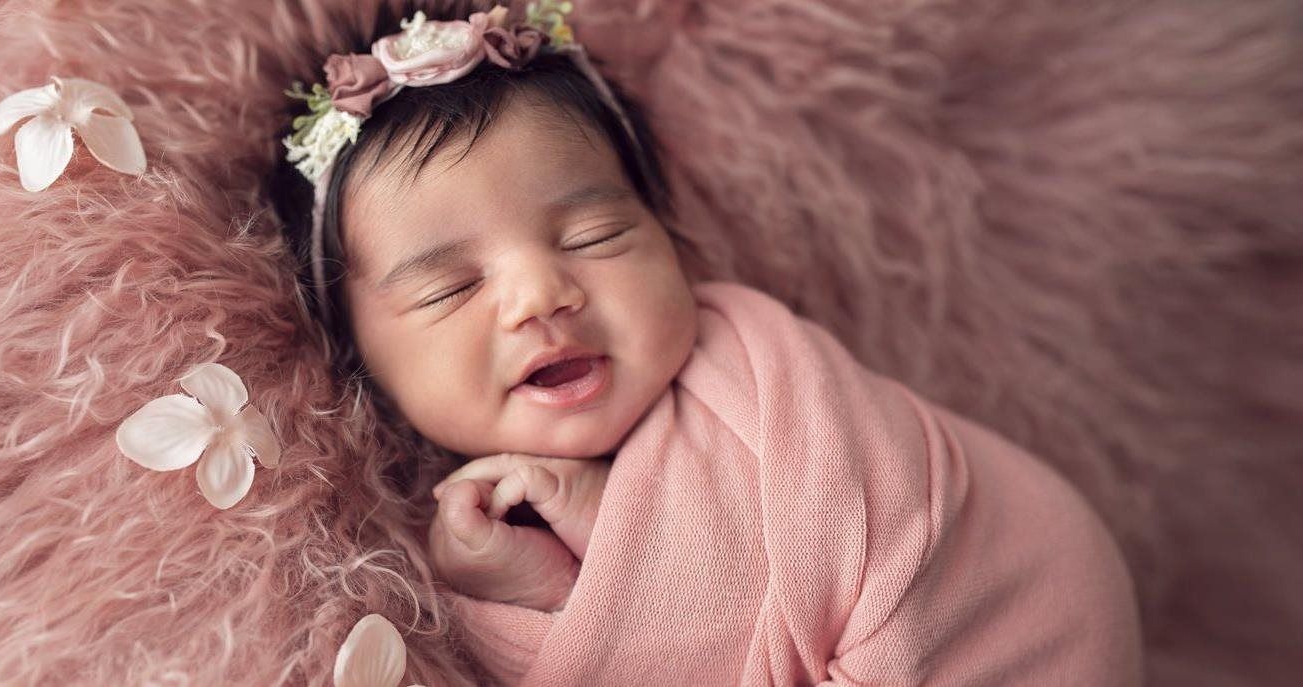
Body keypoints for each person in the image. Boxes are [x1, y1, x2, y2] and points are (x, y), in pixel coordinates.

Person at [271, 2, 1144, 684]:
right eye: (451, 288)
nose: (541, 295)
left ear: (668, 239)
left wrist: (593, 550)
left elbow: (832, 544)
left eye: (594, 237)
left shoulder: (760, 374)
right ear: (358, 360)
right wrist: (544, 587)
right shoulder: (418, 555)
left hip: (1015, 605)